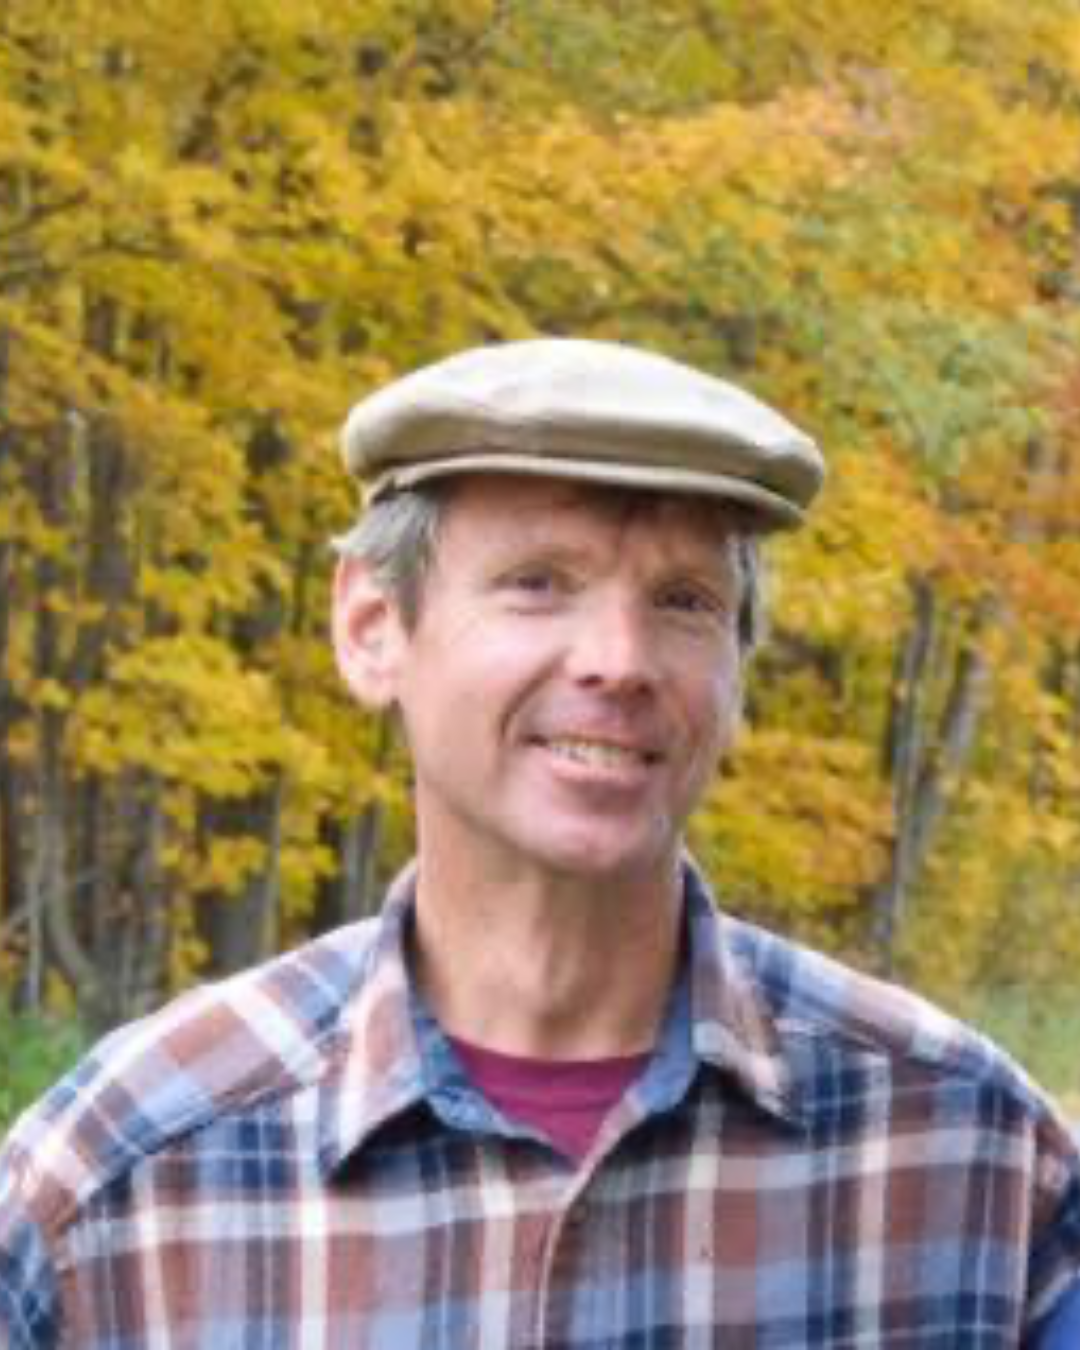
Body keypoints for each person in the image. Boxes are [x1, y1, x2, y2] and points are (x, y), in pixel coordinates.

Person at [1, 338, 1078, 1347]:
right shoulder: (121, 1183)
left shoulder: (970, 1156)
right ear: (374, 629)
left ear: (737, 669)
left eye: (685, 600)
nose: (618, 658)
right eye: (537, 583)